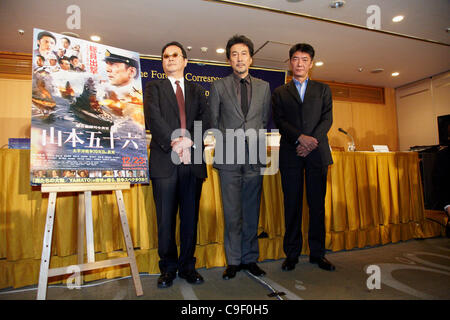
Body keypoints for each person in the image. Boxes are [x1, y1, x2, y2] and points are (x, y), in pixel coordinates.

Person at [144, 41, 210, 288]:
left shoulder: (197, 90)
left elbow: (206, 118)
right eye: (165, 56)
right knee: (165, 220)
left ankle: (187, 267)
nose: (169, 59)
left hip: (192, 162)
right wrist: (175, 141)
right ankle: (168, 268)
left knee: (190, 219)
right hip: (165, 161)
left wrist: (189, 141)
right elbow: (153, 117)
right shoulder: (154, 88)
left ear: (185, 61)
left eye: (175, 55)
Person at [209, 35, 271, 280]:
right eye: (234, 54)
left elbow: (263, 120)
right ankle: (233, 261)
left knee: (251, 210)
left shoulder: (264, 87)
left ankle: (250, 259)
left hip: (254, 155)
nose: (239, 58)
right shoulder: (218, 86)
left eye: (243, 53)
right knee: (232, 211)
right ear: (228, 59)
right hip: (228, 157)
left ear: (251, 58)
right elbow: (213, 122)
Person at [272, 43, 335, 272]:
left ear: (311, 63)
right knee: (292, 204)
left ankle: (318, 254)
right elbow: (279, 121)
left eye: (304, 59)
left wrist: (310, 142)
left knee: (317, 205)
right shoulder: (280, 92)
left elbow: (327, 120)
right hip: (291, 153)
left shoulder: (323, 89)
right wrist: (300, 138)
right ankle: (292, 254)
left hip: (317, 154)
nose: (299, 63)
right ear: (290, 62)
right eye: (296, 59)